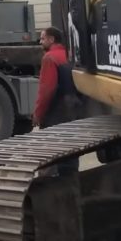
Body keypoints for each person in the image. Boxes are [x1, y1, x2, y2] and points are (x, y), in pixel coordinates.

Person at [33, 26, 83, 175]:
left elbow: (47, 89)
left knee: (52, 149)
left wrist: (38, 113)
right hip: (74, 109)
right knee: (71, 150)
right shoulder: (71, 55)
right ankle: (71, 179)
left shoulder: (49, 58)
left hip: (57, 112)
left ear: (51, 39)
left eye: (42, 38)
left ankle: (52, 185)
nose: (40, 41)